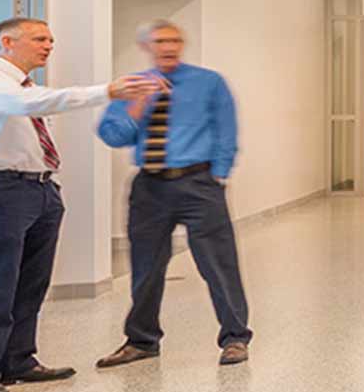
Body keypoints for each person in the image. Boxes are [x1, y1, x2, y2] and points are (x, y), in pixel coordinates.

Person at [0, 18, 160, 392]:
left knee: (31, 283)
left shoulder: (31, 86)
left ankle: (17, 360)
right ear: (7, 41)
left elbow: (34, 107)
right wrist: (106, 91)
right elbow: (19, 105)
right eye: (39, 38)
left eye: (51, 38)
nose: (49, 44)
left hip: (39, 190)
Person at [94, 21, 252, 369]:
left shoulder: (208, 82)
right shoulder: (133, 85)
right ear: (147, 46)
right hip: (149, 186)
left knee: (218, 264)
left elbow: (227, 130)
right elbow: (112, 134)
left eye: (175, 40)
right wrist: (138, 106)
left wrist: (218, 175)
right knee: (146, 267)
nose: (169, 46)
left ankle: (235, 337)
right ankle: (141, 340)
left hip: (198, 182)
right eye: (161, 41)